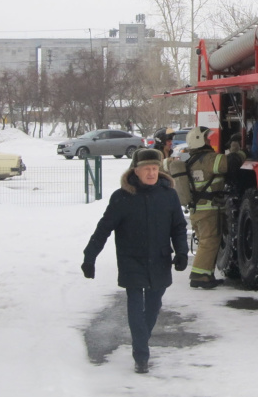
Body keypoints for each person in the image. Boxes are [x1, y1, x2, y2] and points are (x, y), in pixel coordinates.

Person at [80, 148, 188, 374]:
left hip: (159, 259)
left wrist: (181, 252)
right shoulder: (122, 197)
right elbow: (104, 229)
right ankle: (141, 355)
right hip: (131, 259)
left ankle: (141, 342)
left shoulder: (168, 195)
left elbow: (178, 226)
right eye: (147, 169)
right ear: (136, 171)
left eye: (155, 168)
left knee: (154, 305)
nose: (152, 173)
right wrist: (89, 257)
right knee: (135, 303)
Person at [185, 126, 246, 288]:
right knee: (209, 241)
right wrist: (239, 151)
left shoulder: (193, 160)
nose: (209, 141)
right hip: (208, 210)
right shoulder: (209, 159)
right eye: (206, 139)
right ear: (199, 141)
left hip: (198, 209)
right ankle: (199, 276)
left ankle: (206, 274)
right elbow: (230, 164)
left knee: (206, 241)